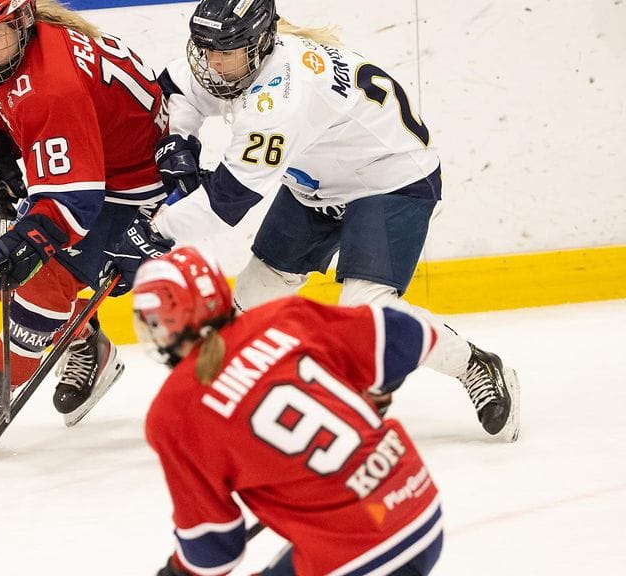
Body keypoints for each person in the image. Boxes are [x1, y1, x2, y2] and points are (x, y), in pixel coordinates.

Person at [147, 0, 519, 441]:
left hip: (389, 180)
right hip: (318, 183)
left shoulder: (279, 97)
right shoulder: (240, 57)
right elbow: (174, 87)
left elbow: (228, 201)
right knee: (251, 297)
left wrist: (156, 231)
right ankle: (232, 402)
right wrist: (179, 144)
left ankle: (473, 364)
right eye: (205, 50)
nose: (212, 63)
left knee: (367, 314)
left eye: (223, 53)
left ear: (260, 43)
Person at [0, 0, 171, 452]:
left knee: (37, 273)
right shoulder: (24, 45)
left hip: (134, 189)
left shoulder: (53, 86)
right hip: (99, 167)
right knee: (29, 258)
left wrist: (25, 242)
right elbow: (4, 90)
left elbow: (76, 204)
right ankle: (87, 344)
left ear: (21, 22)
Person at [134, 247, 444, 576]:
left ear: (167, 322)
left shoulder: (176, 410)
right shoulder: (284, 317)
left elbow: (214, 551)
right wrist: (375, 396)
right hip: (417, 505)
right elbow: (413, 336)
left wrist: (177, 572)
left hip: (357, 555)